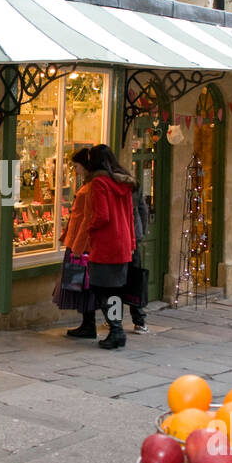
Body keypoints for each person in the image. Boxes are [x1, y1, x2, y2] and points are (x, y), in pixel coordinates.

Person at [83, 143, 137, 350]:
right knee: (114, 290)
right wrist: (131, 243)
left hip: (105, 245)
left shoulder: (99, 183)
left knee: (101, 288)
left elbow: (101, 215)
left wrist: (89, 227)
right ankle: (117, 330)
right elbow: (130, 217)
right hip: (122, 244)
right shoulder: (124, 184)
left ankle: (116, 330)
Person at [59, 147, 97, 339]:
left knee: (83, 286)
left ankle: (89, 324)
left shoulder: (89, 189)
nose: (75, 169)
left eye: (76, 166)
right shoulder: (87, 186)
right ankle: (87, 323)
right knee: (81, 286)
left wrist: (78, 247)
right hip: (76, 241)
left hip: (80, 245)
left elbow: (86, 219)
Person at [129, 182, 149, 333]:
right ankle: (139, 320)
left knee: (115, 282)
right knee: (135, 280)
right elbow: (143, 210)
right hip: (133, 239)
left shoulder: (110, 184)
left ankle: (114, 320)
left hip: (120, 240)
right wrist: (140, 233)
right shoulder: (132, 184)